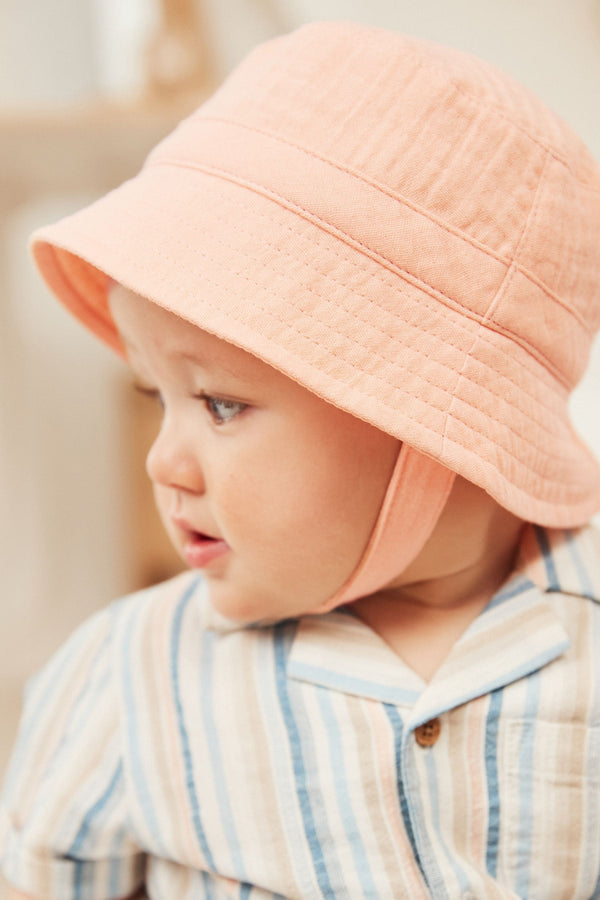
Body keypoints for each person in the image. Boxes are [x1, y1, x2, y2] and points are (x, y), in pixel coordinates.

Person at [2, 19, 600, 900]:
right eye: (152, 397)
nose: (164, 462)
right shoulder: (130, 677)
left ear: (431, 421)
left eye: (221, 403)